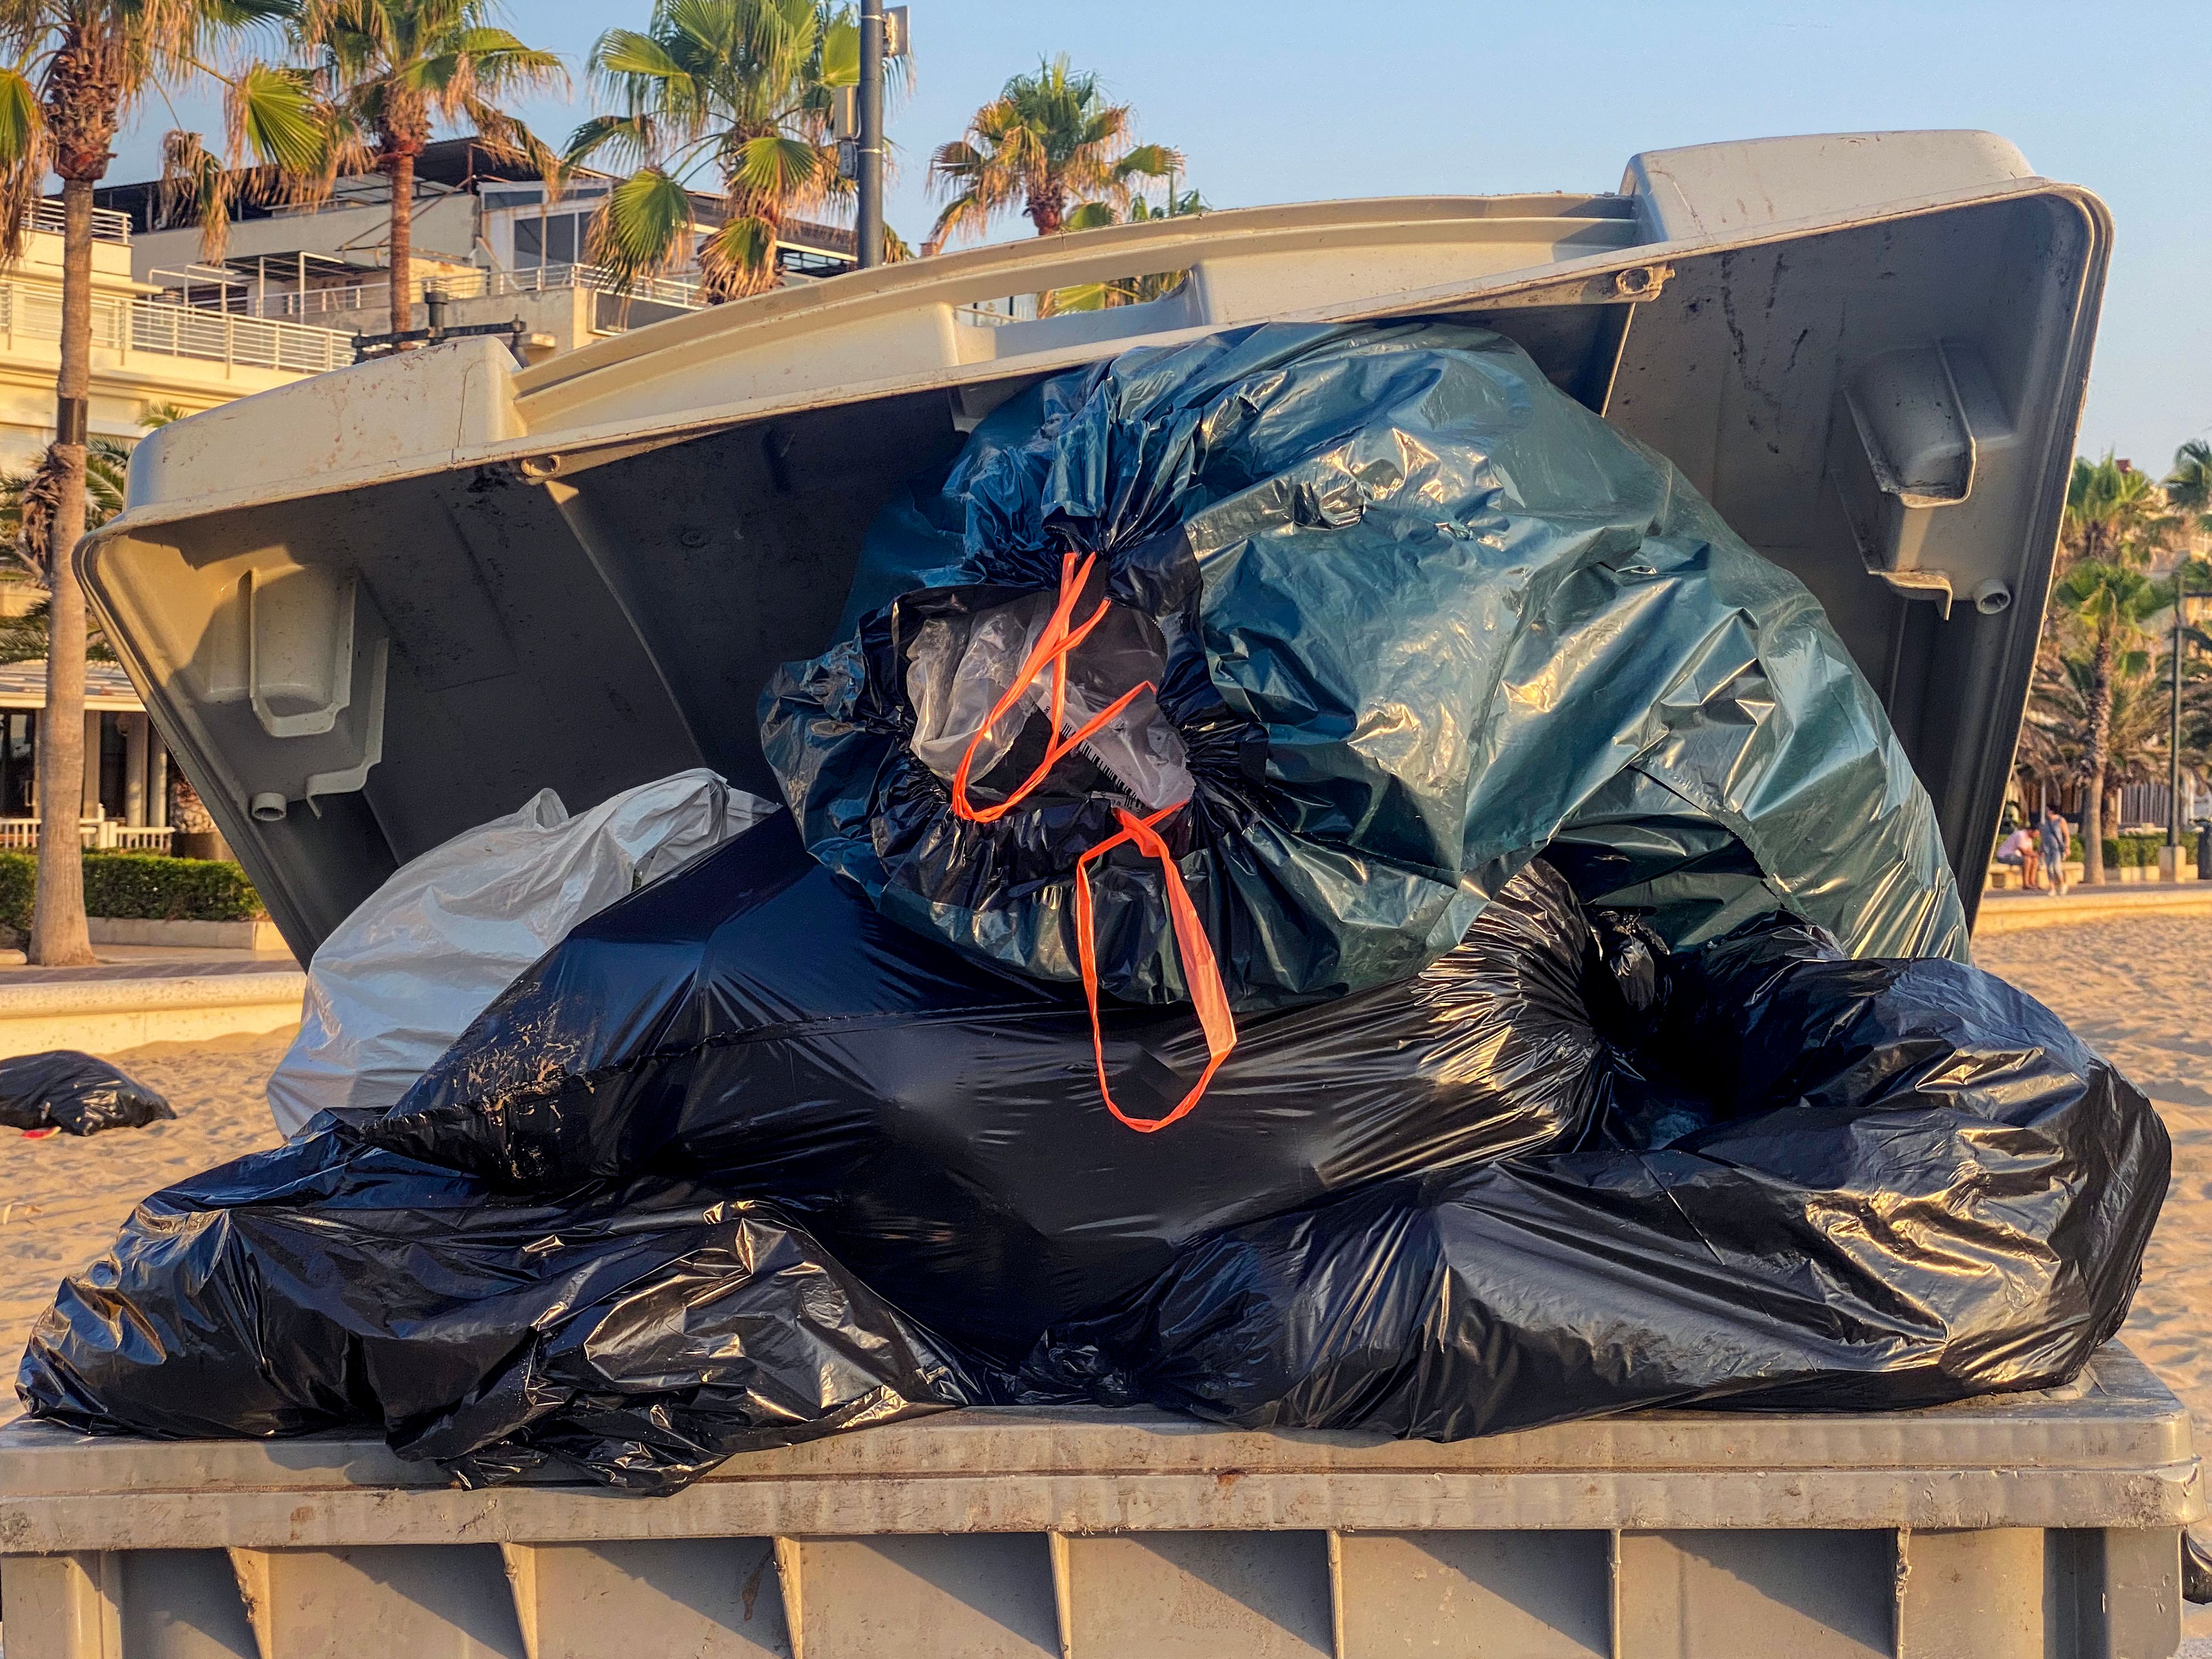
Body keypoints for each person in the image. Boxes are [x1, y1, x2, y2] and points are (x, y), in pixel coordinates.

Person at [1995, 822, 2036, 890]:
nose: (2037, 836)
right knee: (2027, 860)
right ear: (2031, 831)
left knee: (2035, 860)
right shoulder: (2021, 835)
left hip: (2015, 856)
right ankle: (2026, 884)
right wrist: (2036, 854)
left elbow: (2030, 852)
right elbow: (2024, 852)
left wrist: (2036, 855)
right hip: (2004, 856)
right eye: (2036, 833)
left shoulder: (2030, 838)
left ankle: (2032, 882)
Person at [2040, 807, 2071, 896]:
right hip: (2047, 848)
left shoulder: (2060, 820)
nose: (2046, 812)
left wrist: (2067, 847)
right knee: (2049, 869)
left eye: (2048, 810)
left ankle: (2063, 883)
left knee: (2056, 868)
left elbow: (2067, 835)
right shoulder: (2044, 822)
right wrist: (2040, 849)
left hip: (2057, 848)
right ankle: (2052, 888)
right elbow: (2043, 837)